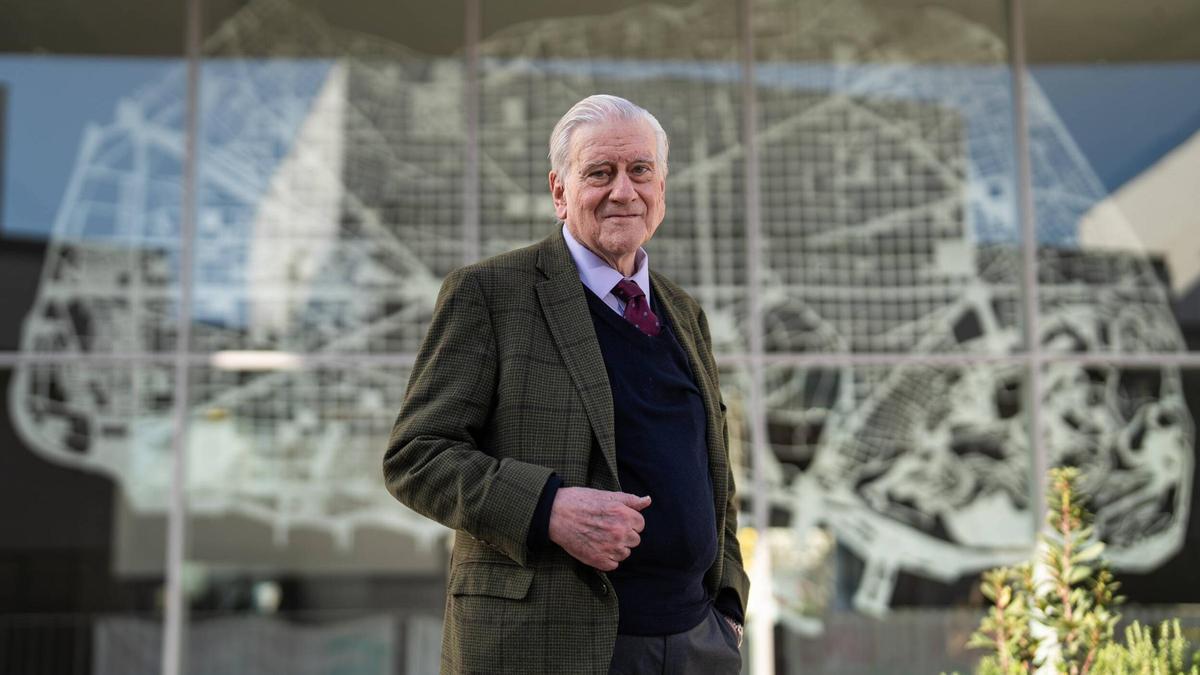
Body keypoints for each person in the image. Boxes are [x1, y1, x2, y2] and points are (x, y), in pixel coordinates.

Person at [384, 94, 749, 674]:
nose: (623, 191)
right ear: (560, 191)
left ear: (661, 187)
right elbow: (416, 457)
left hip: (696, 643)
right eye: (600, 173)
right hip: (549, 646)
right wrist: (547, 507)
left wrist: (727, 606)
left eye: (640, 171)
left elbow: (715, 471)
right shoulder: (490, 294)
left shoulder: (684, 312)